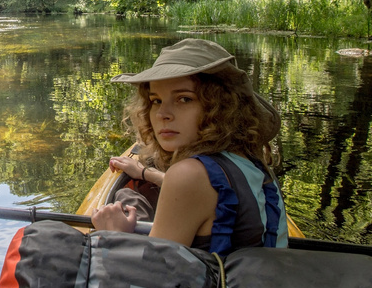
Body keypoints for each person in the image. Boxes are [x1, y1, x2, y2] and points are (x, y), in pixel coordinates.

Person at [91, 38, 289, 255]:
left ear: (221, 107)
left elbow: (150, 271)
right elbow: (211, 191)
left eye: (184, 99)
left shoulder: (189, 174)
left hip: (203, 281)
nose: (162, 114)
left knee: (126, 198)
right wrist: (145, 173)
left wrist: (114, 235)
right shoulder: (251, 162)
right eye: (156, 100)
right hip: (255, 276)